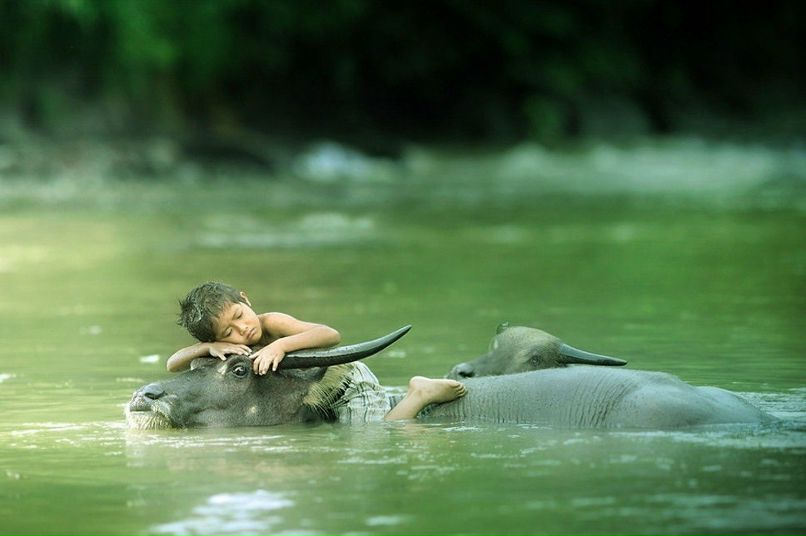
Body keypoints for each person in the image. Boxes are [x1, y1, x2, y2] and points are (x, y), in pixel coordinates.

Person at [166, 281, 466, 421]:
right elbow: (172, 364)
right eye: (227, 332)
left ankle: (420, 393)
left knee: (378, 430)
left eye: (238, 317)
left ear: (245, 299)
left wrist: (280, 345)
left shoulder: (272, 322)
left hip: (342, 382)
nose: (241, 330)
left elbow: (330, 335)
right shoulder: (222, 345)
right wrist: (206, 347)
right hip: (309, 390)